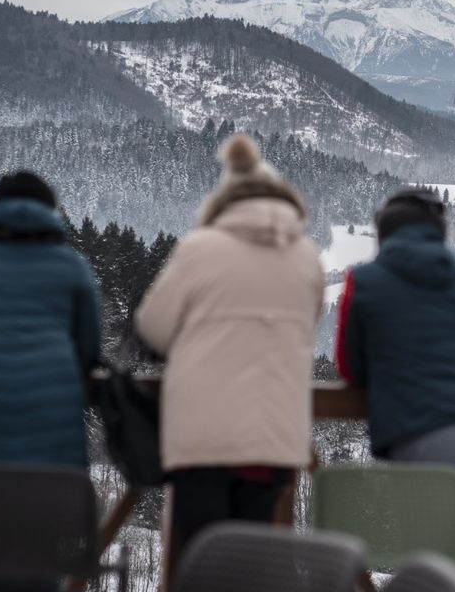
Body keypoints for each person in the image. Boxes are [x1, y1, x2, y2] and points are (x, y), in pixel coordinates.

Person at [135, 134, 324, 582]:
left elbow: (153, 327)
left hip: (203, 439)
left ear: (223, 203)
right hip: (272, 440)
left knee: (200, 566)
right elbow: (307, 324)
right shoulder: (307, 259)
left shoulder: (200, 249)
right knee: (251, 571)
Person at [335, 188, 455, 592]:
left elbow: (350, 367)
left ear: (383, 234)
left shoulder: (364, 281)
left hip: (430, 432)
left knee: (432, 570)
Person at [0, 171, 100, 592]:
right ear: (51, 213)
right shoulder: (71, 267)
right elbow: (89, 348)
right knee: (39, 560)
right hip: (51, 436)